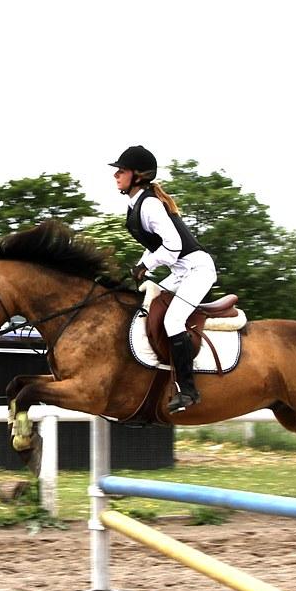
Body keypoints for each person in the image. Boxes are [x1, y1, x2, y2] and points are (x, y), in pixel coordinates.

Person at [108, 145, 217, 413]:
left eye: (121, 171)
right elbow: (159, 246)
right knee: (143, 309)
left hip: (197, 270)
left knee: (173, 320)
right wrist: (138, 266)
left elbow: (173, 247)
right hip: (181, 273)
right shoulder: (138, 204)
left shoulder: (151, 205)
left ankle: (188, 390)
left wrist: (145, 265)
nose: (116, 175)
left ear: (138, 175)